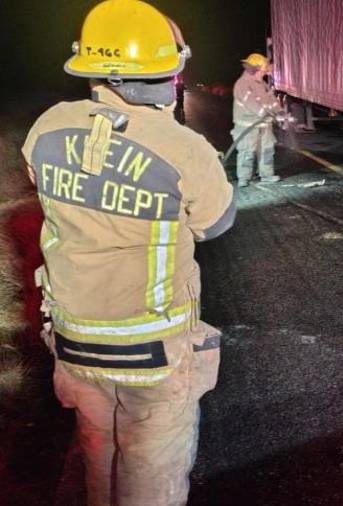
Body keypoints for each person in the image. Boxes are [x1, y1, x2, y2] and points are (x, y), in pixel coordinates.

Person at [20, 1, 235, 504]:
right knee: (149, 470)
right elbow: (216, 224)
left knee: (98, 451)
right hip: (151, 356)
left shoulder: (45, 128)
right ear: (169, 72)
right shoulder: (182, 148)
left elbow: (49, 187)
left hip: (74, 344)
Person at [232, 53, 286, 187]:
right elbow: (251, 104)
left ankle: (266, 175)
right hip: (247, 126)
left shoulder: (261, 83)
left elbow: (271, 99)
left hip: (264, 125)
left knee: (267, 150)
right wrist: (267, 115)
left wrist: (279, 111)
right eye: (263, 70)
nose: (265, 73)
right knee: (247, 151)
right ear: (255, 69)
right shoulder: (242, 84)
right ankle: (244, 178)